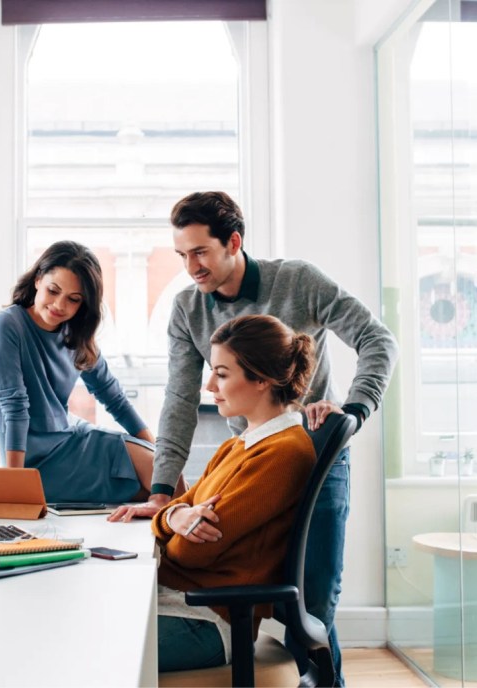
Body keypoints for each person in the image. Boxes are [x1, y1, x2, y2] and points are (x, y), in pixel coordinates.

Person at [110, 191, 399, 680]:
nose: (191, 267)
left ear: (234, 242)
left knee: (309, 610)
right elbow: (181, 400)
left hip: (312, 455)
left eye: (200, 252)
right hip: (251, 452)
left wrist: (350, 414)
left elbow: (377, 339)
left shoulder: (298, 281)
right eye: (181, 255)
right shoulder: (188, 308)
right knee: (260, 583)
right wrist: (163, 495)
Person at [154, 314, 317, 672]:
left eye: (222, 374)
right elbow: (175, 511)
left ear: (261, 379)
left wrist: (172, 525)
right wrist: (175, 517)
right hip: (177, 604)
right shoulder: (236, 445)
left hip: (206, 623)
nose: (209, 385)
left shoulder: (284, 452)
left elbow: (193, 552)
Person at [0, 240, 156, 503]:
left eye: (73, 300)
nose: (59, 306)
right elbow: (14, 409)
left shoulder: (74, 333)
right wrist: (13, 488)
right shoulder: (6, 326)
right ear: (38, 279)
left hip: (71, 437)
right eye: (53, 290)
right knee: (155, 481)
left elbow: (113, 397)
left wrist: (154, 448)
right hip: (34, 460)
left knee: (165, 475)